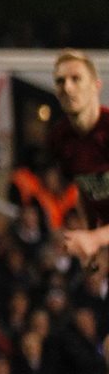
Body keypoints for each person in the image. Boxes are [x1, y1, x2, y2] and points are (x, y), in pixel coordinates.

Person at [48, 51, 109, 265]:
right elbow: (83, 189)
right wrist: (88, 235)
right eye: (60, 81)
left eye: (76, 79)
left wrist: (94, 239)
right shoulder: (60, 137)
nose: (67, 87)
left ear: (96, 85)